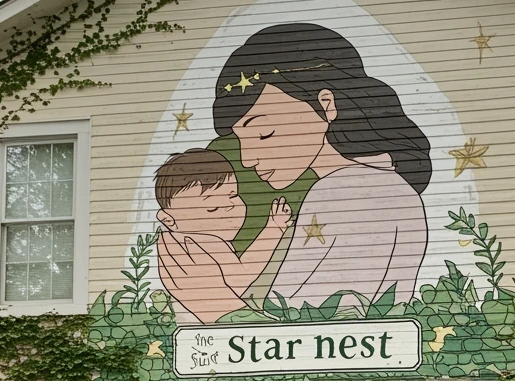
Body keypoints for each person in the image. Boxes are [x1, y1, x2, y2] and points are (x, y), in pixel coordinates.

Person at [158, 23, 431, 321]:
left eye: (263, 133)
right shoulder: (373, 187)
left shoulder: (350, 192)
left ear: (326, 104)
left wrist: (215, 305)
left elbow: (307, 327)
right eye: (241, 140)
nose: (247, 160)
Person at [154, 148, 292, 323]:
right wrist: (274, 228)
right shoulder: (204, 242)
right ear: (168, 219)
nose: (230, 207)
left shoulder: (176, 244)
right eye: (212, 208)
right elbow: (242, 277)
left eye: (233, 195)